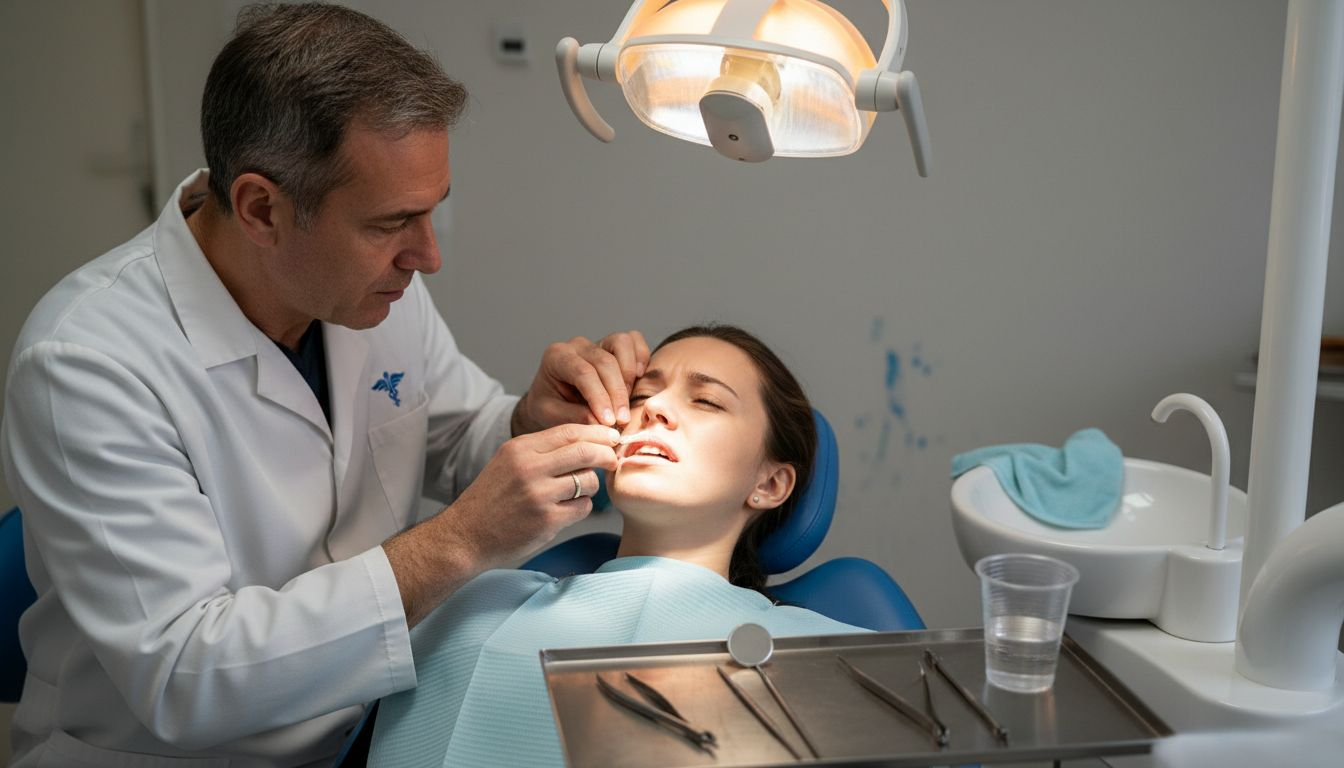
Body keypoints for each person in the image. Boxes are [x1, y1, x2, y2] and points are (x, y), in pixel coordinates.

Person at [0, 5, 650, 767]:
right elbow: (186, 677)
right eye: (392, 223)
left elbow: (449, 434)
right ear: (262, 209)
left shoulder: (362, 288)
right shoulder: (87, 362)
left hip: (372, 730)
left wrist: (526, 422)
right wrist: (460, 542)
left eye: (434, 212)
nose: (428, 256)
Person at [365, 325, 866, 768]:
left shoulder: (834, 659)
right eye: (643, 395)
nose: (656, 410)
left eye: (707, 401)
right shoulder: (474, 600)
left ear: (772, 484)